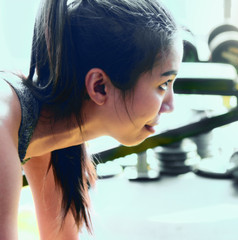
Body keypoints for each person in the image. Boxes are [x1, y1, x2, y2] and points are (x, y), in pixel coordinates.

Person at [0, 0, 183, 239]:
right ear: (100, 86)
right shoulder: (5, 122)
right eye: (162, 85)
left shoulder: (48, 130)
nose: (170, 105)